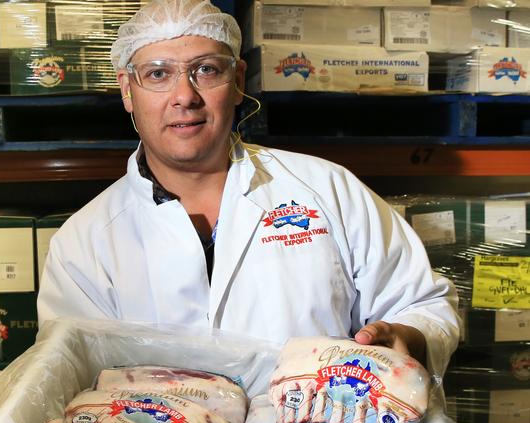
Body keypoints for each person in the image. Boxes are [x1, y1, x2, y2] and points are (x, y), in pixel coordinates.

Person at [37, 0, 460, 377]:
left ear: (238, 79)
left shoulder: (329, 191)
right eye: (158, 74)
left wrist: (408, 337)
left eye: (206, 70)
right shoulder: (85, 242)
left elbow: (423, 305)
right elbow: (67, 374)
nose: (185, 95)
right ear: (127, 91)